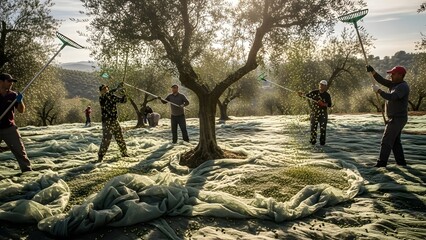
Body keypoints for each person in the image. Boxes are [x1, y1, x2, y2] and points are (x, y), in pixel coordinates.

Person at [367, 65, 410, 167]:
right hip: (395, 118)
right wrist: (373, 72)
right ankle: (401, 163)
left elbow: (392, 97)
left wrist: (379, 91)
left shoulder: (402, 86)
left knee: (386, 141)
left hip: (397, 119)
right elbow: (382, 81)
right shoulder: (394, 84)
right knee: (395, 142)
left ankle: (381, 163)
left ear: (400, 75)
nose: (391, 75)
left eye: (393, 74)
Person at [0, 73, 32, 172]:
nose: (11, 83)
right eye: (9, 81)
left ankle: (27, 171)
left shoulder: (13, 95)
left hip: (10, 128)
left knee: (20, 151)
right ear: (1, 81)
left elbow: (21, 110)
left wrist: (20, 101)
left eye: (12, 82)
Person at [98, 84, 129, 162]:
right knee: (106, 140)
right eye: (103, 88)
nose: (105, 89)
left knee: (120, 137)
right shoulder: (102, 98)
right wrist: (117, 88)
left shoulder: (112, 97)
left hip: (115, 121)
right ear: (101, 91)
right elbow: (108, 94)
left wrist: (124, 93)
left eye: (106, 88)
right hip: (107, 122)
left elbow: (123, 101)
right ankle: (100, 156)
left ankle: (124, 153)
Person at [298, 80, 332, 145]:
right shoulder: (314, 92)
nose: (321, 86)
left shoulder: (327, 95)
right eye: (320, 84)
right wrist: (301, 94)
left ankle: (322, 143)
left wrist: (323, 104)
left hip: (323, 114)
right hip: (314, 113)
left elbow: (330, 105)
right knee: (313, 128)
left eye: (323, 85)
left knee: (323, 129)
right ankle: (312, 142)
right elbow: (306, 96)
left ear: (325, 86)